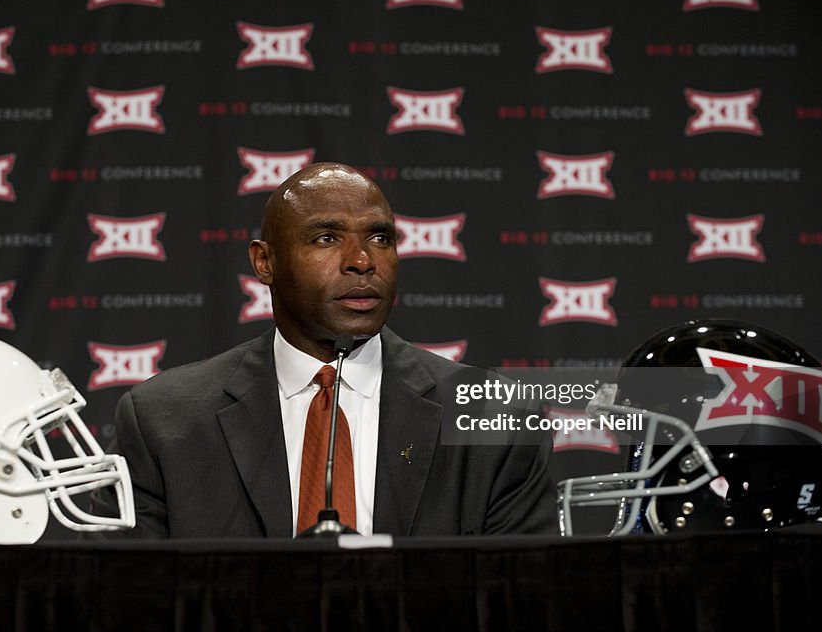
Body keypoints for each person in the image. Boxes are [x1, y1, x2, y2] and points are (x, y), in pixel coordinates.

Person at [90, 162, 557, 537]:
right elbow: (116, 601)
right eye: (326, 238)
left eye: (380, 237)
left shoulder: (497, 418)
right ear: (265, 261)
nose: (362, 261)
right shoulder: (161, 421)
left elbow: (527, 597)